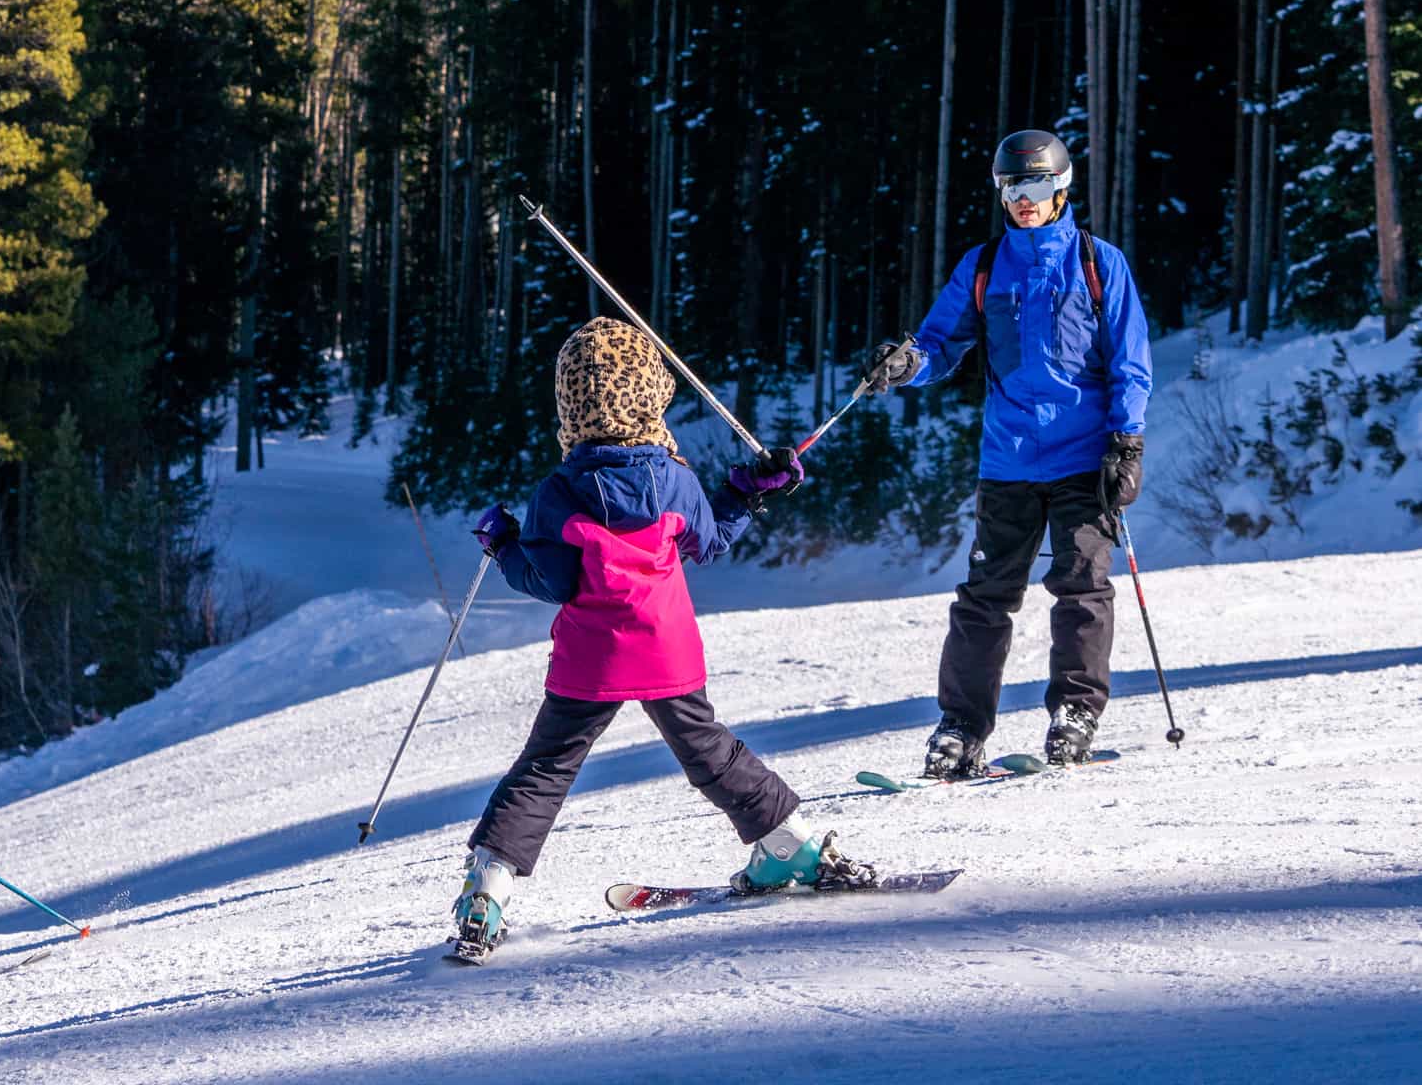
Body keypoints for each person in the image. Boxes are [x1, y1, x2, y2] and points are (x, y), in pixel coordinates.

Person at [450, 316, 874, 960]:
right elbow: (710, 539)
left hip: (591, 659)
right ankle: (791, 844)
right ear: (652, 393)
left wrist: (505, 544)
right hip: (665, 649)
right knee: (709, 750)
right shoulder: (674, 478)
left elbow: (550, 579)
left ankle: (487, 890)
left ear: (570, 403)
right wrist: (747, 489)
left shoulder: (559, 494)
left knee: (545, 767)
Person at [865, 129, 1152, 777]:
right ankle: (961, 730)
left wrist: (1126, 441)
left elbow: (1131, 365)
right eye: (1014, 187)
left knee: (1082, 586)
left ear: (1062, 188)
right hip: (1010, 460)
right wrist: (908, 363)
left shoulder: (1097, 263)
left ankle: (1074, 713)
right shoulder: (985, 265)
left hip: (1085, 457)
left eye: (1039, 185)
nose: (1026, 199)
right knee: (985, 597)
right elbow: (940, 344)